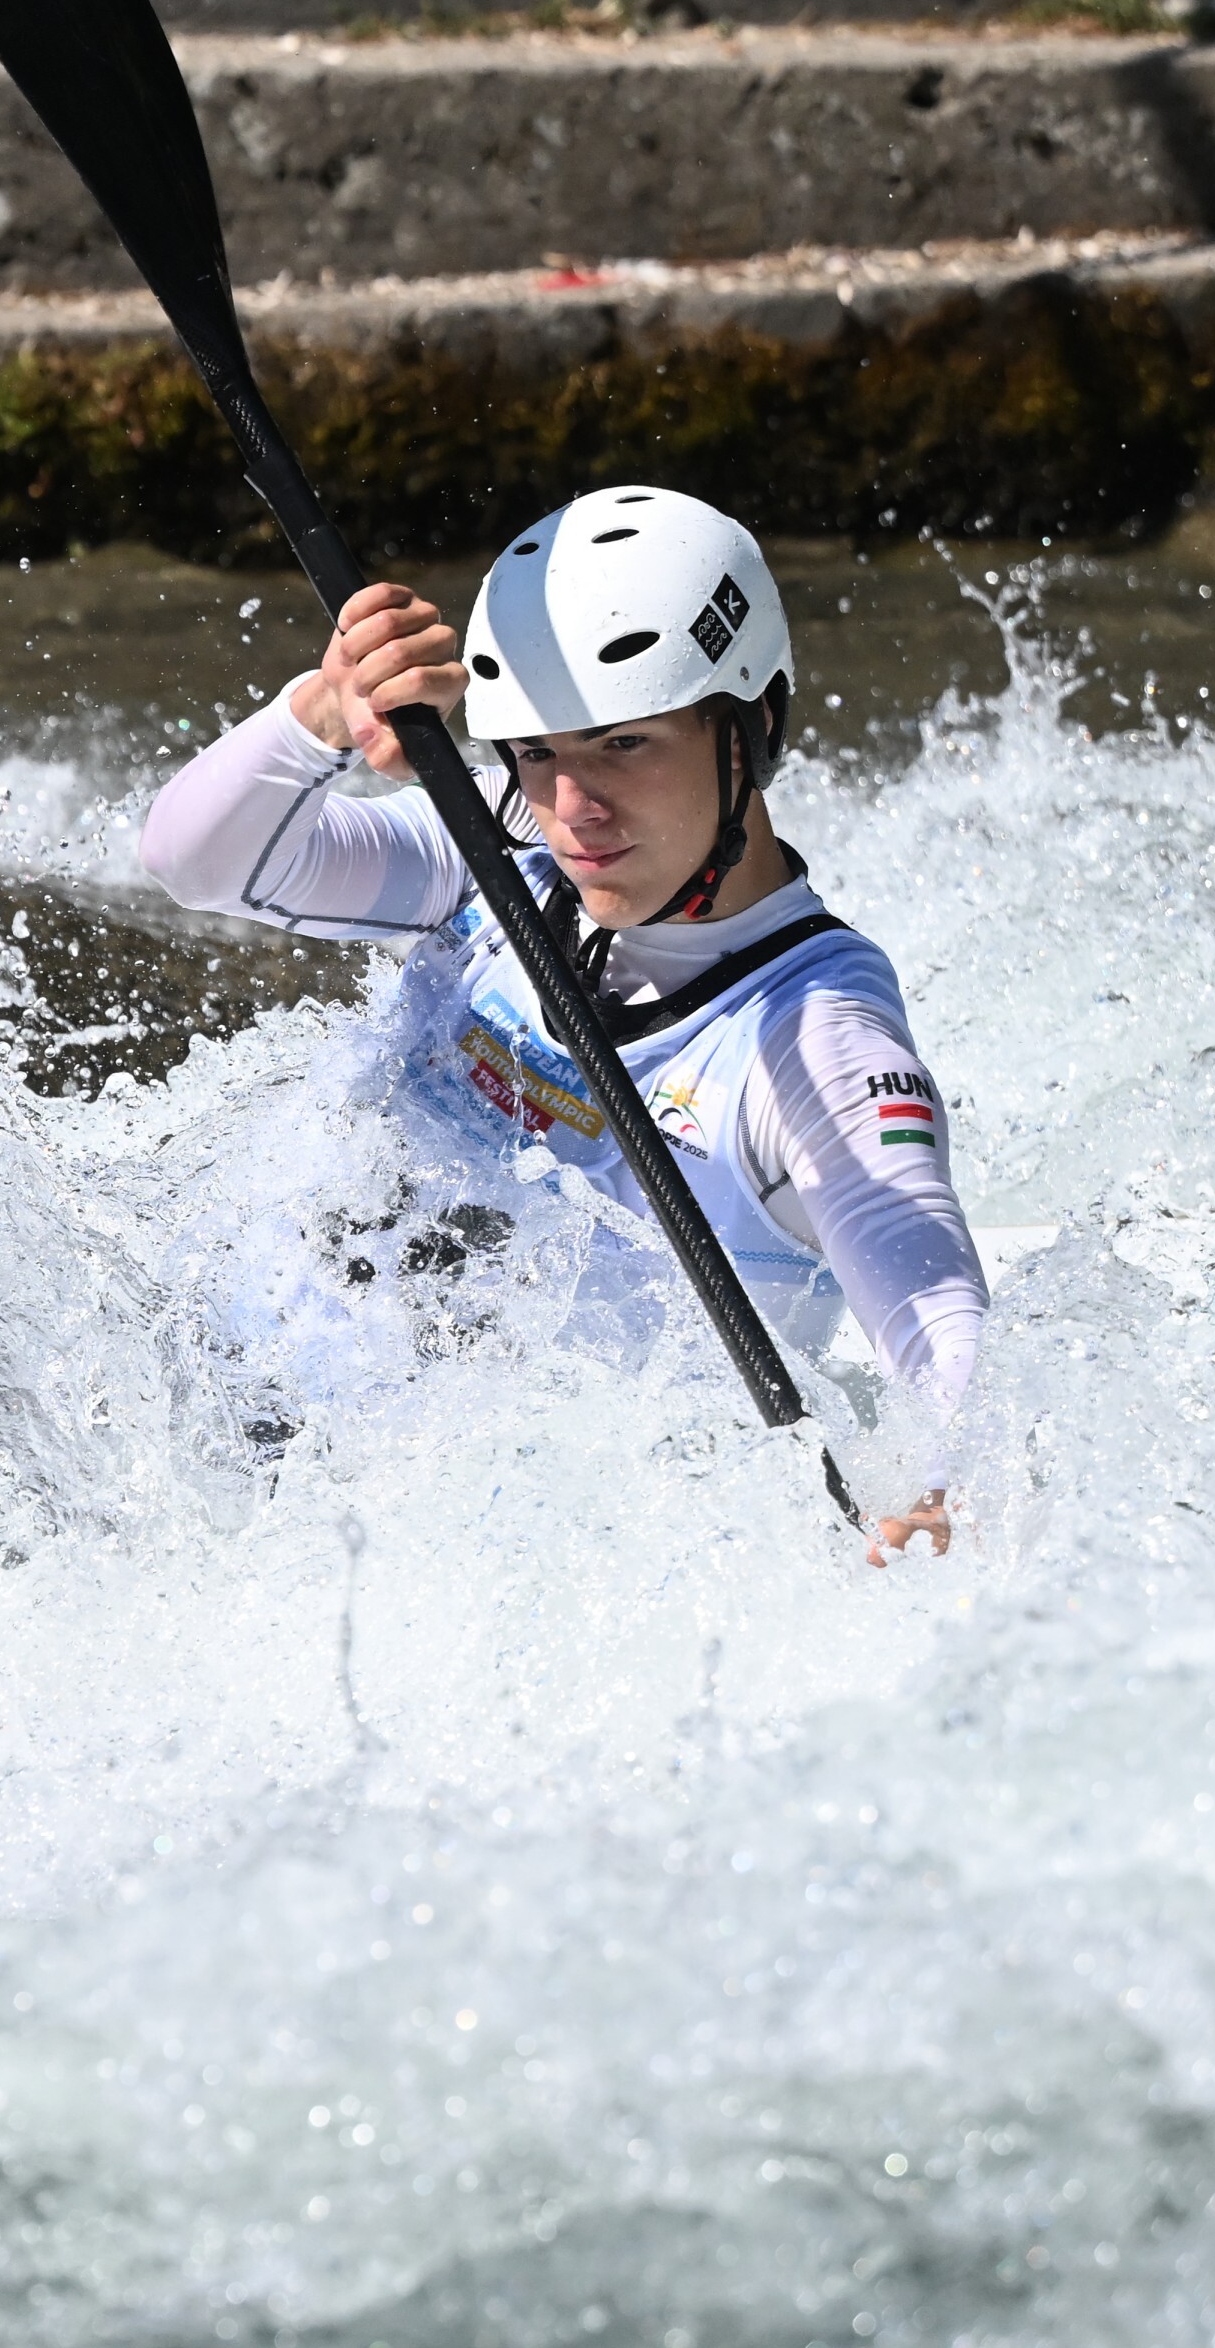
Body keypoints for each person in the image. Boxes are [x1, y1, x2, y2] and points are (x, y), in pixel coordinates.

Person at [136, 486, 977, 1559]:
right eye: (536, 751)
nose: (573, 808)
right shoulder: (496, 850)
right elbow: (195, 861)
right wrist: (323, 711)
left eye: (623, 743)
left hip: (443, 1548)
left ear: (751, 728)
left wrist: (945, 1492)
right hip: (196, 1421)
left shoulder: (811, 1044)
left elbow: (936, 1312)